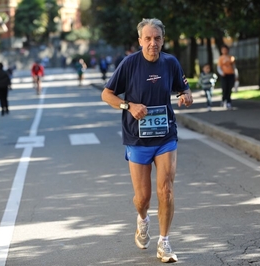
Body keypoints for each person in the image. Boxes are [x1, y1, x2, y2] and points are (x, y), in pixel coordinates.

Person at [101, 18, 193, 263]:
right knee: (143, 198)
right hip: (137, 138)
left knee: (167, 190)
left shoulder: (170, 62)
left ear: (163, 40)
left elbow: (184, 88)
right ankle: (142, 220)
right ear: (140, 40)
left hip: (165, 136)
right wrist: (128, 105)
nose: (153, 43)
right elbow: (106, 94)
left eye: (158, 38)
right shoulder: (129, 64)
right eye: (148, 38)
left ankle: (164, 243)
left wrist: (186, 95)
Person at [217, 44, 236, 109]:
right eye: (223, 50)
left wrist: (236, 74)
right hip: (224, 75)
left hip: (231, 75)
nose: (224, 51)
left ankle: (228, 102)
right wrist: (222, 73)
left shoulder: (231, 58)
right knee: (225, 88)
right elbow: (219, 67)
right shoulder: (221, 58)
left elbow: (234, 67)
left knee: (229, 88)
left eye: (226, 49)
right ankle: (223, 99)